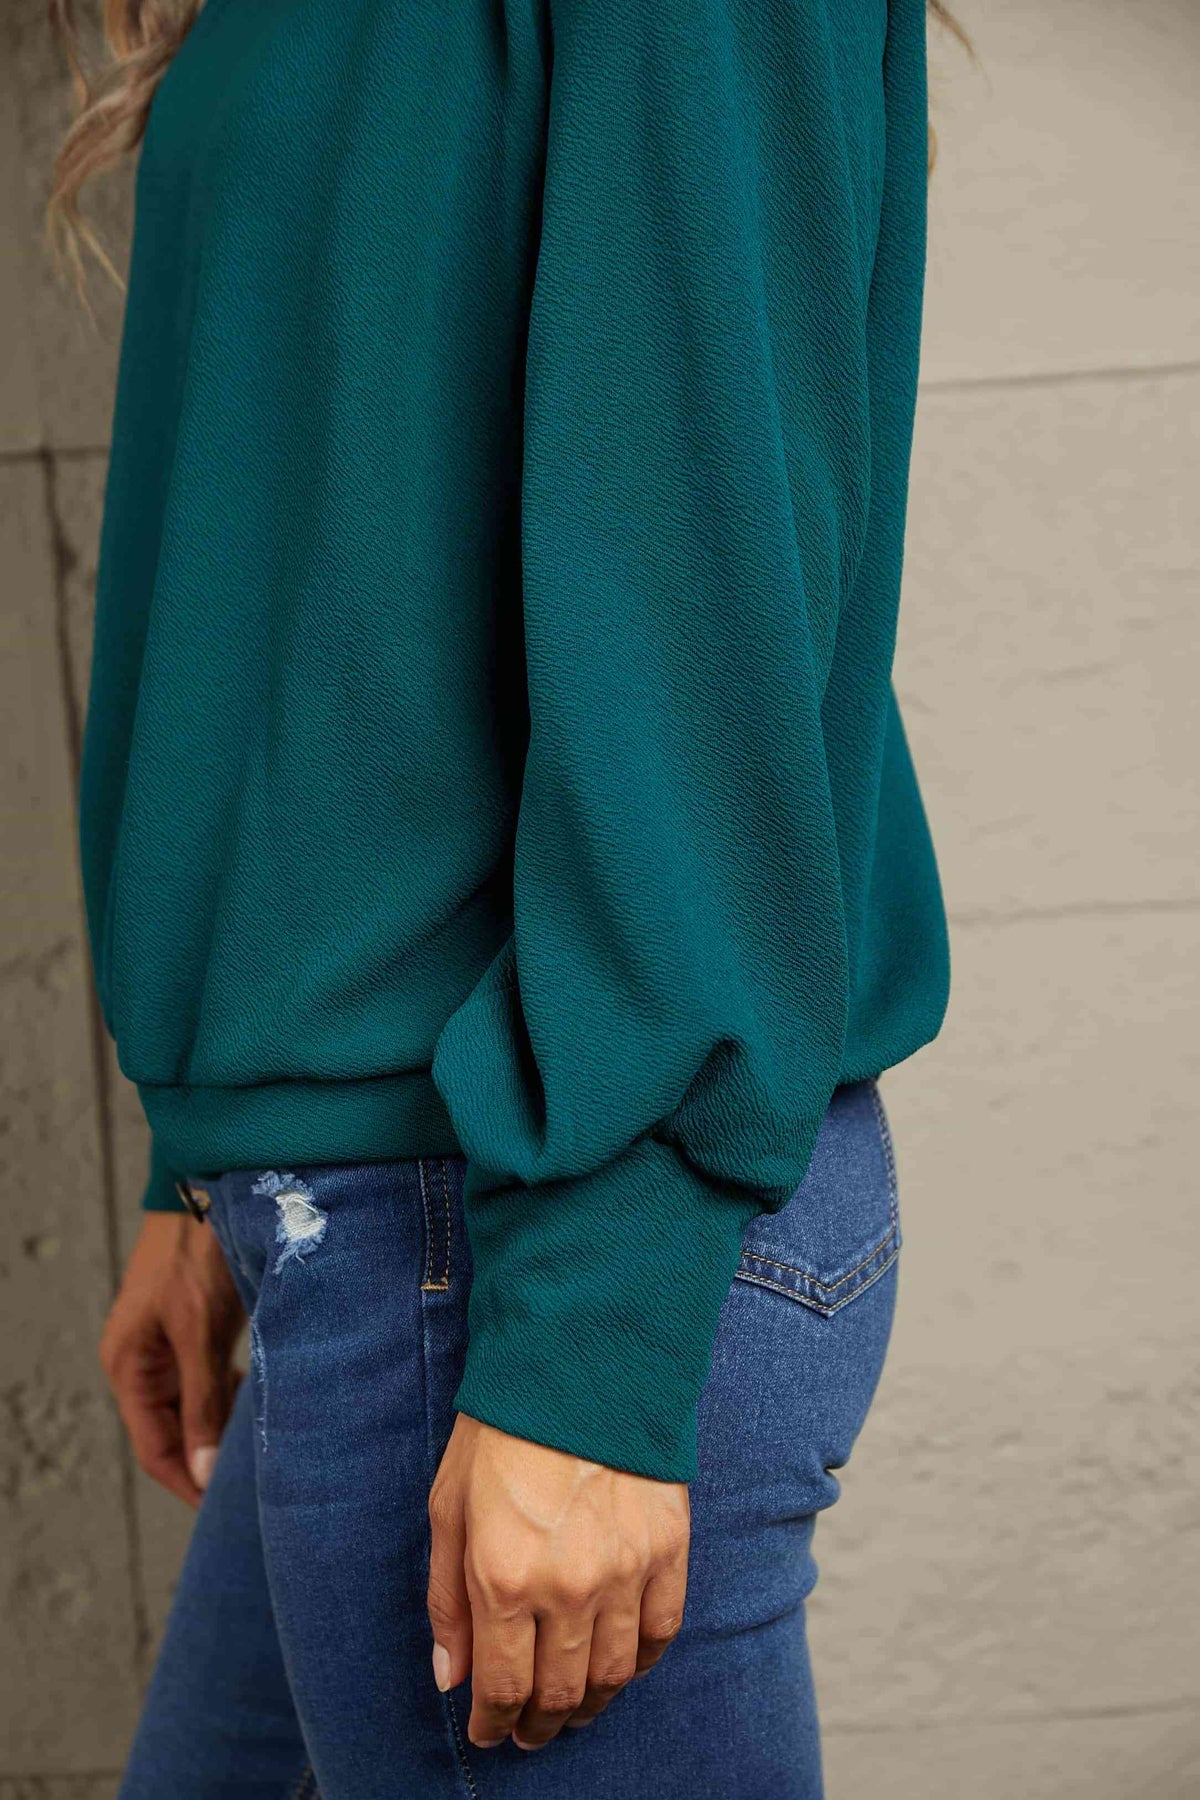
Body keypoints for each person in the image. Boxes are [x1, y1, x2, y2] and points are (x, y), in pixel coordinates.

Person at [52, 0, 953, 1793]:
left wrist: (593, 1337)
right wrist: (201, 1163)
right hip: (364, 1206)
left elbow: (696, 593)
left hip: (519, 1226)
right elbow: (320, 550)